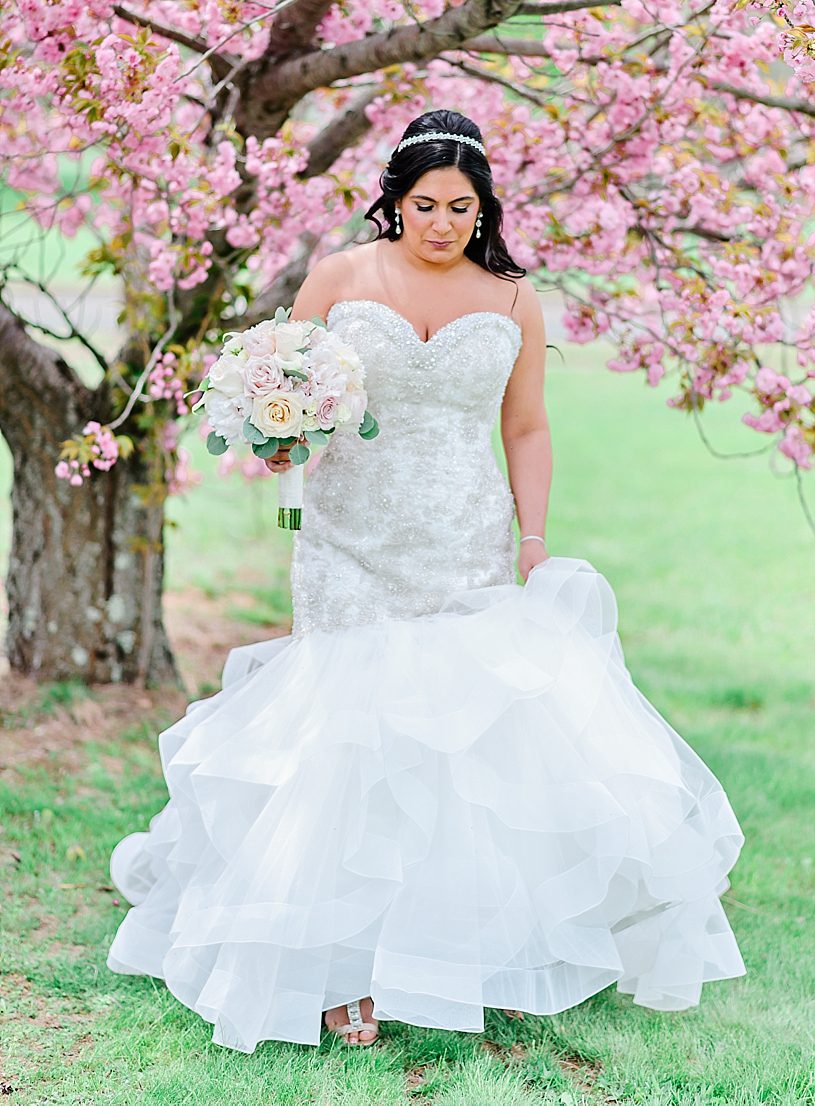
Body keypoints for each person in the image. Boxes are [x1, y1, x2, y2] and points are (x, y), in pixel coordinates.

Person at [106, 107, 747, 1053]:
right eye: (424, 204)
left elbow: (526, 428)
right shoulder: (339, 276)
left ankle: (490, 956)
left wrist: (533, 537)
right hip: (348, 536)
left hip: (464, 536)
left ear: (483, 206)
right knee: (349, 740)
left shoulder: (513, 298)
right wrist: (280, 435)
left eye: (461, 206)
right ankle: (335, 975)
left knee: (466, 752)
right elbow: (270, 391)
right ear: (393, 202)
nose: (442, 223)